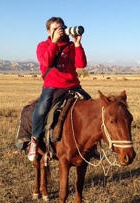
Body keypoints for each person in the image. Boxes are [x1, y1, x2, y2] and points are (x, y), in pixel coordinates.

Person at [28, 17, 99, 161]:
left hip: (73, 85)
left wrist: (77, 44)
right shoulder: (43, 45)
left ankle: (93, 147)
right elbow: (46, 61)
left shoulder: (71, 46)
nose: (60, 31)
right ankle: (34, 140)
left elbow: (81, 64)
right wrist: (54, 42)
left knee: (93, 108)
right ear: (49, 32)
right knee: (41, 109)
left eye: (62, 27)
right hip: (52, 86)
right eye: (55, 29)